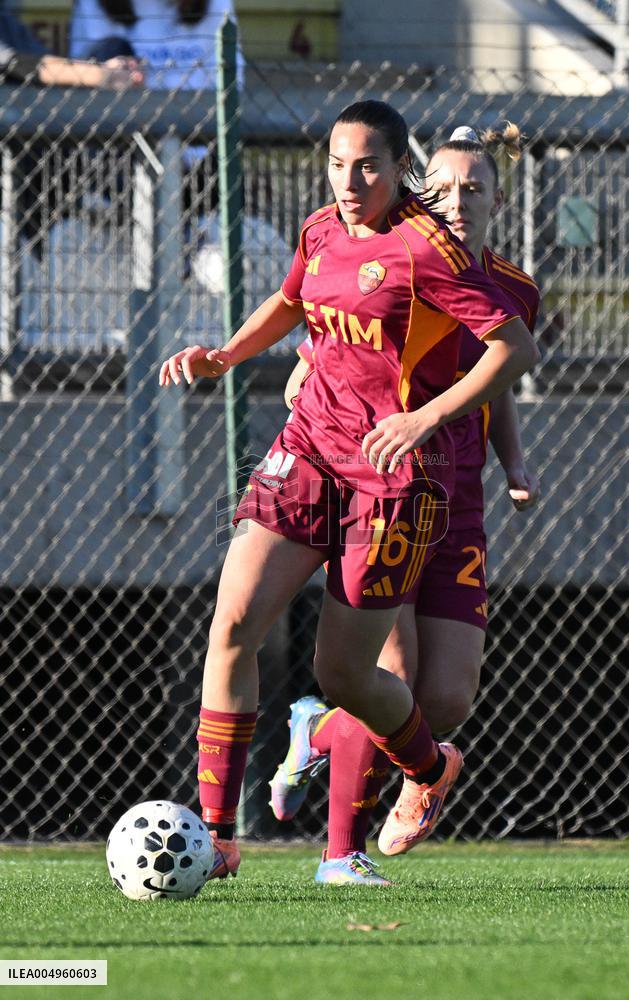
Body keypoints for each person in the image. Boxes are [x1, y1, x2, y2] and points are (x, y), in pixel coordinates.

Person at [159, 100, 539, 882]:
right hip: (307, 451)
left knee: (346, 676)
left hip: (394, 482)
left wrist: (425, 417)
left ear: (402, 168)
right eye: (337, 162)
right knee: (233, 622)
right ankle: (218, 836)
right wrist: (224, 356)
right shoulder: (322, 230)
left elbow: (514, 349)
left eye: (366, 164)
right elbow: (293, 300)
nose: (348, 179)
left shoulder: (428, 251)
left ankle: (427, 769)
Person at [269, 123, 541, 885]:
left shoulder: (513, 288)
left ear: (498, 196)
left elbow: (500, 376)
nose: (455, 202)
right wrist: (306, 384)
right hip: (384, 489)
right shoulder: (399, 255)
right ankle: (341, 853)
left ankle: (314, 733)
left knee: (445, 699)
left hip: (455, 500)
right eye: (442, 187)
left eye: (473, 189)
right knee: (381, 671)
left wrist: (514, 463)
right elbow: (325, 343)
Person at [69, 0, 243, 91]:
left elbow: (231, 80)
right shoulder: (94, 4)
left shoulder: (215, 4)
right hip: (129, 138)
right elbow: (82, 77)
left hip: (202, 138)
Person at [0, 1, 142, 87]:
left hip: (42, 104)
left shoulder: (6, 18)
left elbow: (43, 61)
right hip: (13, 118)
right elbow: (17, 64)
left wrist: (113, 70)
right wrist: (103, 74)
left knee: (114, 47)